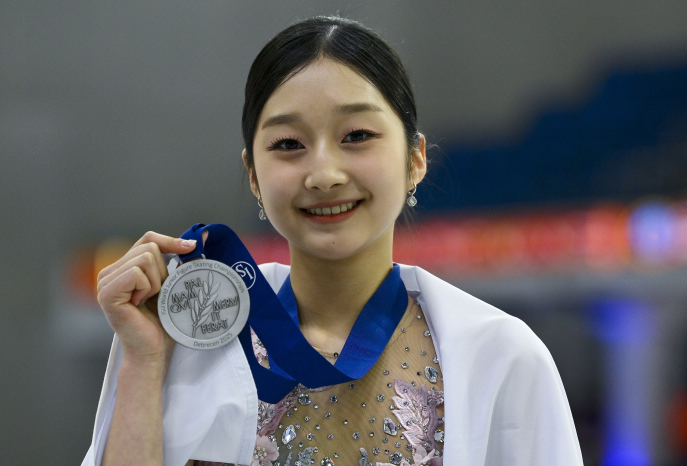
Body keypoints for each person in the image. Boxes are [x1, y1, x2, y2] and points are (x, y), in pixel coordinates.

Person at [83, 16, 583, 466]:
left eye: (357, 135)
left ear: (416, 159)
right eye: (288, 144)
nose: (323, 173)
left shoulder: (503, 356)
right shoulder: (186, 338)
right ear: (253, 176)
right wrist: (144, 361)